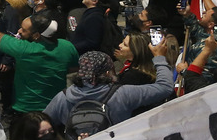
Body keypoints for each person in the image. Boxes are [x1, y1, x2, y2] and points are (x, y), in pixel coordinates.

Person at [0, 0, 79, 115]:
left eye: (24, 30)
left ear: (36, 35)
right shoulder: (67, 47)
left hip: (26, 108)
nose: (19, 31)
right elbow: (73, 69)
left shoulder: (24, 49)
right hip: (56, 107)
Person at [44, 48, 172, 130]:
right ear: (107, 73)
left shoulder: (63, 98)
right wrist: (159, 57)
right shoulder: (123, 94)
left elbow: (41, 123)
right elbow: (165, 87)